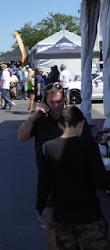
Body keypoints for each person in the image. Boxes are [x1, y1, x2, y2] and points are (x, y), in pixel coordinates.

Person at [17, 83, 98, 250]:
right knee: (51, 230)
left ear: (65, 100)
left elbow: (90, 147)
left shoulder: (74, 118)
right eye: (52, 102)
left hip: (76, 184)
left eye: (59, 101)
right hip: (49, 185)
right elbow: (21, 137)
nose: (56, 106)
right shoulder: (40, 120)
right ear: (45, 102)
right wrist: (33, 116)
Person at [37, 106, 110, 250]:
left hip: (62, 217)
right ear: (81, 123)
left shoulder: (48, 148)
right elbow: (102, 182)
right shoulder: (89, 147)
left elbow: (43, 184)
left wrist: (42, 210)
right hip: (89, 216)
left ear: (60, 125)